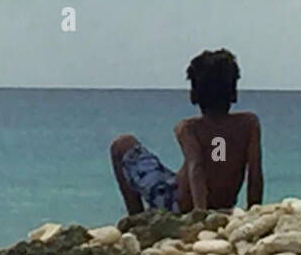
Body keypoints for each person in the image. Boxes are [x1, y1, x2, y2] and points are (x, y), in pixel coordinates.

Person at [109, 49, 262, 215]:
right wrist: (254, 210)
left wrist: (200, 213)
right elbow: (255, 172)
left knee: (121, 144)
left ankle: (136, 216)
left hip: (176, 202)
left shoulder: (189, 128)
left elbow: (196, 167)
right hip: (220, 202)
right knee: (174, 176)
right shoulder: (249, 124)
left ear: (193, 95)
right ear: (233, 94)